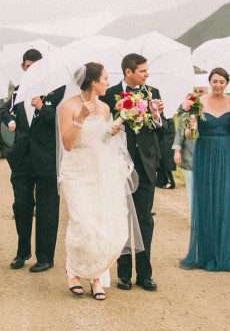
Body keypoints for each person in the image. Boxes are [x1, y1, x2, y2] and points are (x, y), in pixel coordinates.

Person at [58, 62, 141, 301]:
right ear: (93, 82)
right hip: (76, 171)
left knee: (100, 225)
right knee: (82, 223)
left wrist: (111, 132)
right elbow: (68, 144)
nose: (108, 82)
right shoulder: (69, 107)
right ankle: (73, 273)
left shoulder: (105, 108)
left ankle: (96, 278)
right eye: (105, 78)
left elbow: (101, 141)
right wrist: (81, 118)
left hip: (99, 170)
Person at [179, 68, 230, 272]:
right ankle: (208, 253)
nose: (218, 85)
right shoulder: (198, 102)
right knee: (207, 200)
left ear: (227, 83)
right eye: (215, 81)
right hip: (205, 153)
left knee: (229, 200)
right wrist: (192, 124)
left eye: (222, 82)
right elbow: (189, 135)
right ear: (209, 81)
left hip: (229, 153)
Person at [100, 53, 166, 292]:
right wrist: (118, 119)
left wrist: (156, 115)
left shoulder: (153, 93)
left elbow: (163, 128)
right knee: (122, 219)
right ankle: (124, 274)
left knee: (145, 219)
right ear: (128, 72)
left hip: (146, 165)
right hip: (119, 165)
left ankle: (145, 274)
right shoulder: (108, 94)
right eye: (143, 71)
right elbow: (102, 130)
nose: (147, 75)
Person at [1, 49, 65, 273]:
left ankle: (45, 257)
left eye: (37, 66)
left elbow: (62, 120)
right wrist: (9, 120)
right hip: (22, 158)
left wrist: (42, 108)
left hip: (47, 158)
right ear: (23, 67)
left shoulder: (57, 91)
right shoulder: (18, 90)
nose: (32, 70)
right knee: (21, 205)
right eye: (29, 66)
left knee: (48, 209)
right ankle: (22, 252)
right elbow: (5, 110)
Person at [172, 85, 208, 212]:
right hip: (189, 156)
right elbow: (180, 131)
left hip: (207, 155)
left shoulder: (211, 109)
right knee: (191, 188)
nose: (198, 94)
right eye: (195, 91)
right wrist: (177, 150)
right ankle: (194, 216)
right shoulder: (188, 109)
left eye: (201, 91)